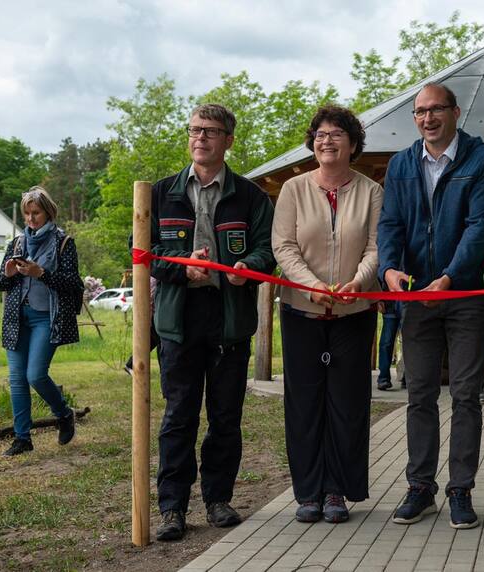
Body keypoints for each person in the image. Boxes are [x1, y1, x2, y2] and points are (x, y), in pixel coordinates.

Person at [378, 83, 484, 529]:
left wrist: (448, 277)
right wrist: (389, 269)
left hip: (465, 295)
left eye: (436, 110)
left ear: (455, 111)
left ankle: (460, 490)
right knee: (419, 394)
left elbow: (480, 228)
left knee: (466, 394)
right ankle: (420, 487)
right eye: (420, 112)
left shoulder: (480, 160)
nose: (428, 118)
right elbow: (390, 223)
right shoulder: (401, 164)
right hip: (416, 297)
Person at [150, 103, 275, 541]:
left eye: (210, 131)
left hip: (229, 319)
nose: (200, 137)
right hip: (178, 319)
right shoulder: (159, 193)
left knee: (225, 417)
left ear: (229, 140)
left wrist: (242, 266)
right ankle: (172, 508)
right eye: (194, 130)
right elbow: (144, 255)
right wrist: (182, 268)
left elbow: (267, 251)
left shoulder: (251, 196)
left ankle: (219, 499)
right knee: (178, 416)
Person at [272, 105, 383, 523]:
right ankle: (308, 492)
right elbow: (284, 246)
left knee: (348, 402)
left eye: (337, 133)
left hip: (355, 310)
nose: (327, 140)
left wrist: (359, 280)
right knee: (303, 403)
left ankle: (338, 490)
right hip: (301, 310)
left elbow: (376, 245)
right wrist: (312, 287)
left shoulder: (372, 191)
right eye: (320, 133)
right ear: (312, 142)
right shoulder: (292, 190)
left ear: (353, 143)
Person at [0, 187, 83, 457]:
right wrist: (9, 274)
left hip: (47, 318)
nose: (31, 219)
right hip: (17, 319)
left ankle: (64, 414)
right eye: (27, 214)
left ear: (48, 212)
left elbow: (73, 285)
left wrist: (40, 272)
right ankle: (23, 438)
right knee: (17, 380)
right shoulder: (17, 244)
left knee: (35, 375)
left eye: (36, 213)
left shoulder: (64, 242)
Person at [377, 301, 402, 390]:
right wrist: (380, 299)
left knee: (410, 343)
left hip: (409, 305)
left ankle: (409, 378)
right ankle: (383, 378)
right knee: (386, 343)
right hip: (390, 305)